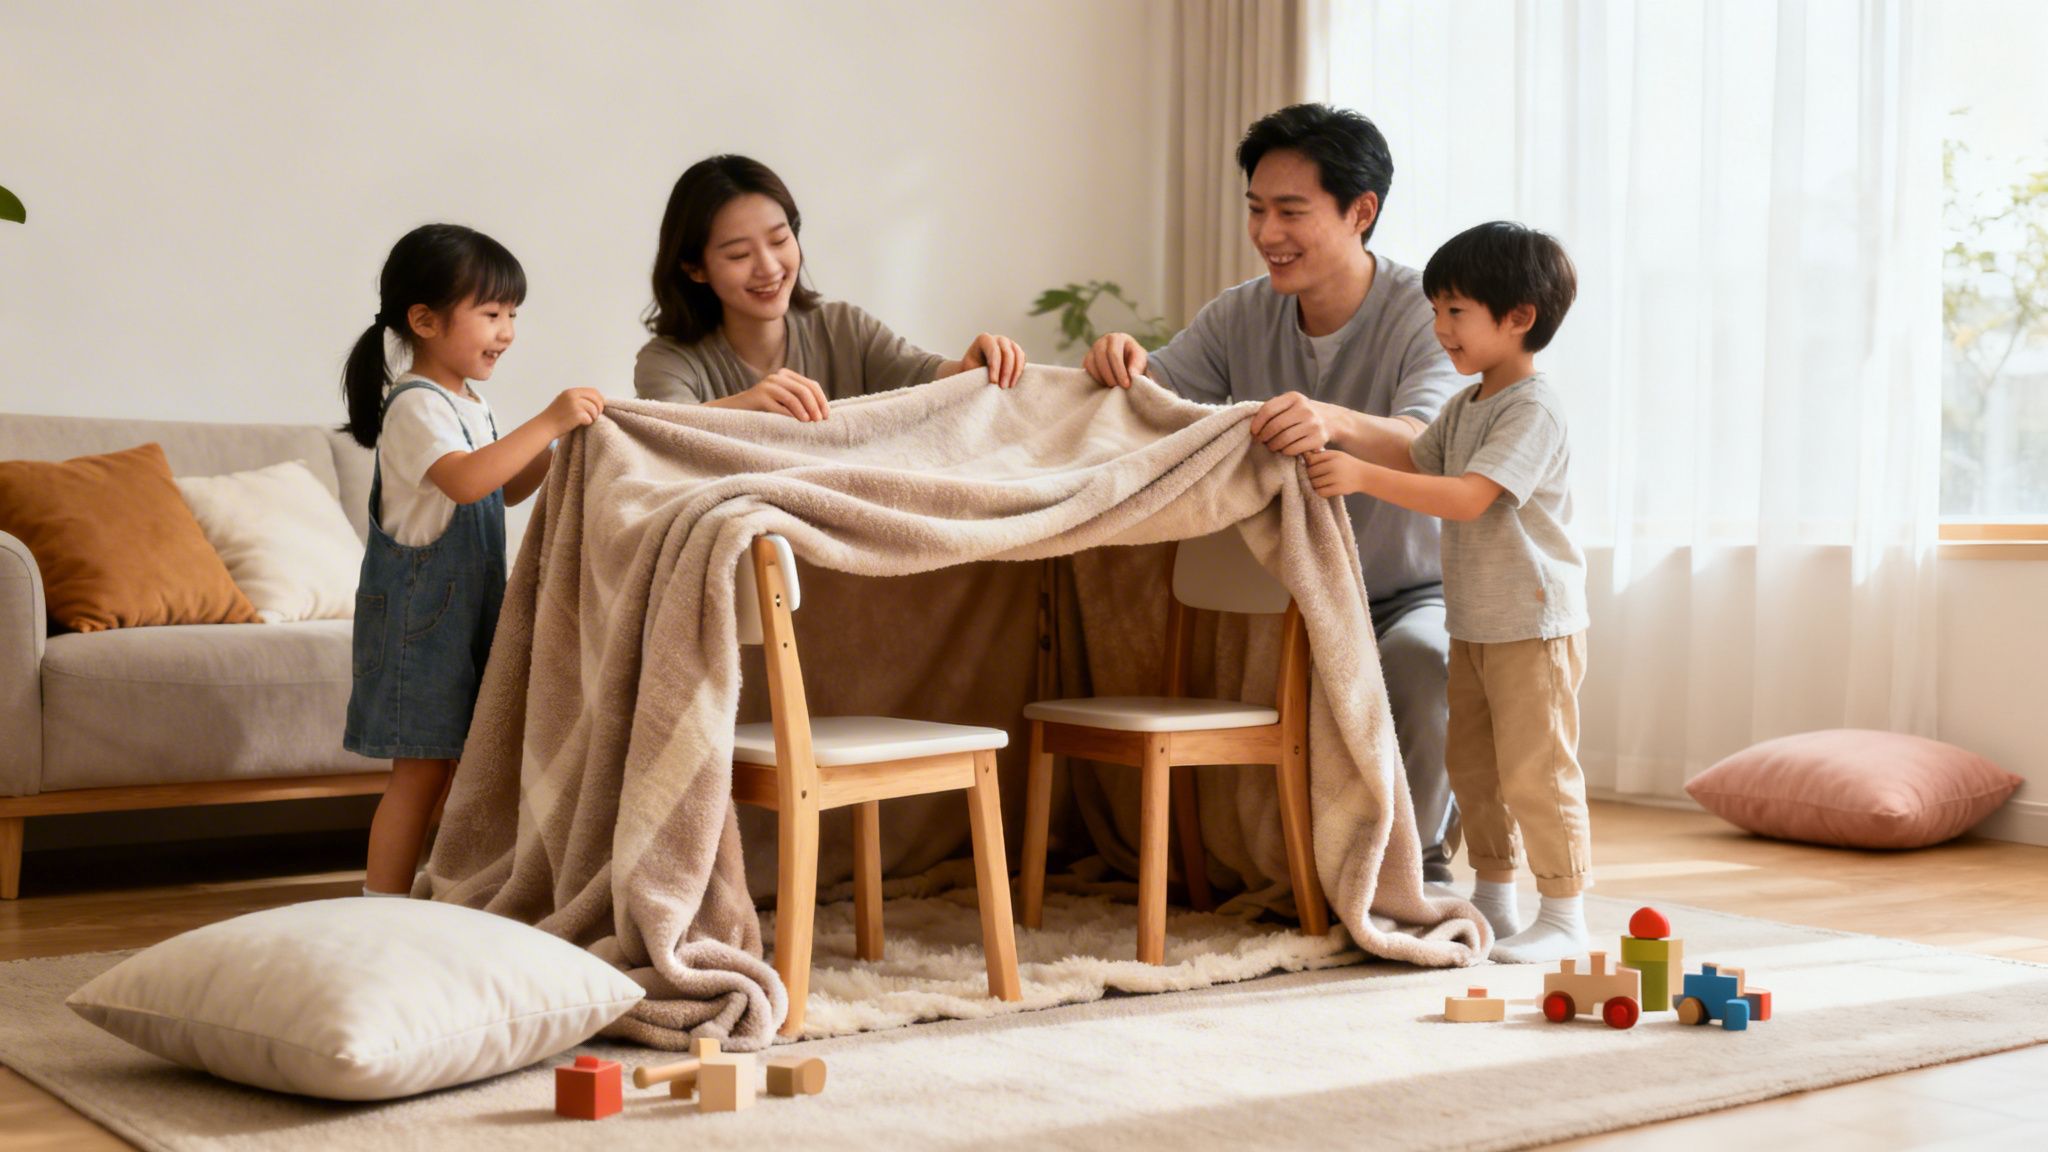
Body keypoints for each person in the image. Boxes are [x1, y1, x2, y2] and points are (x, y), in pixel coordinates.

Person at [1082, 104, 1464, 889]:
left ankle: (1413, 870)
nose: (1266, 232)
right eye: (1257, 209)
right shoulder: (1238, 314)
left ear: (1362, 212)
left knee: (1423, 662)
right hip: (1289, 591)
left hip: (1408, 589)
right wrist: (1122, 360)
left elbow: (1429, 442)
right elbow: (1154, 401)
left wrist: (1336, 421)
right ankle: (1276, 862)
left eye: (1292, 211)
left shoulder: (1426, 315)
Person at [1305, 221, 1588, 963]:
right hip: (1477, 624)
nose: (1439, 328)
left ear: (1519, 317)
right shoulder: (1468, 406)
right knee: (1476, 768)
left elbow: (1467, 497)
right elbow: (1413, 449)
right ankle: (1493, 892)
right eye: (1435, 310)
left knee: (1537, 771)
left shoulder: (1532, 408)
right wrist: (1333, 425)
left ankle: (1563, 909)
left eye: (1455, 311)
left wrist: (1362, 477)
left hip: (1533, 626)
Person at [340, 223, 606, 896]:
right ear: (424, 320)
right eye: (490, 313)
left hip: (463, 619)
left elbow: (505, 487)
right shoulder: (415, 406)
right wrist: (544, 422)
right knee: (421, 773)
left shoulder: (468, 402)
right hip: (417, 628)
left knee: (459, 768)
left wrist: (557, 447)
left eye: (512, 314)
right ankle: (381, 904)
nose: (507, 331)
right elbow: (464, 481)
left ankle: (441, 889)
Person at [634, 154, 1025, 414]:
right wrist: (746, 407)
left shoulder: (844, 328)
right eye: (739, 255)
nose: (768, 267)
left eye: (779, 240)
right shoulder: (667, 362)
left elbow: (925, 377)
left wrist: (974, 365)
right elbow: (664, 434)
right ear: (694, 268)